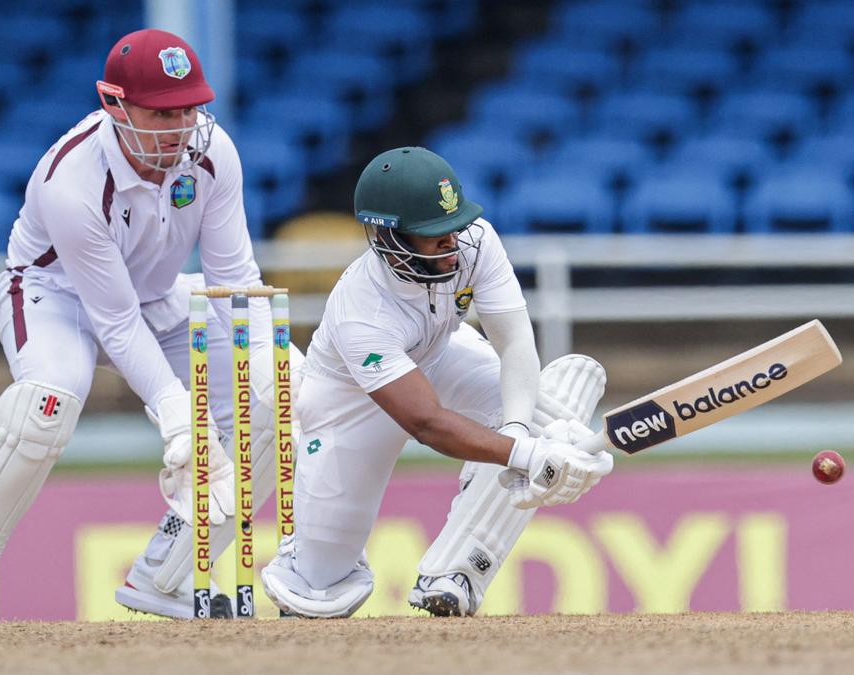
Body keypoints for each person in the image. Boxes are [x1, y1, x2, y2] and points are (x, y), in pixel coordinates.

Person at [0, 28, 301, 622]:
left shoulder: (212, 152)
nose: (181, 127)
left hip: (156, 297)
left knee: (277, 408)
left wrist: (278, 367)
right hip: (54, 297)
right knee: (47, 404)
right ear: (113, 103)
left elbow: (234, 279)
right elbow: (115, 322)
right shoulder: (71, 181)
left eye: (191, 108)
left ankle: (166, 577)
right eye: (161, 113)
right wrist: (178, 418)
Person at [261, 147, 612, 619]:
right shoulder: (361, 309)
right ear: (390, 237)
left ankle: (455, 572)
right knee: (320, 588)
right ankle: (307, 536)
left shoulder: (476, 240)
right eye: (432, 236)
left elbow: (514, 341)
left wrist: (518, 432)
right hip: (349, 405)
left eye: (454, 226)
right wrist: (525, 456)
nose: (452, 243)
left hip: (442, 352)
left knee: (547, 419)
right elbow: (426, 422)